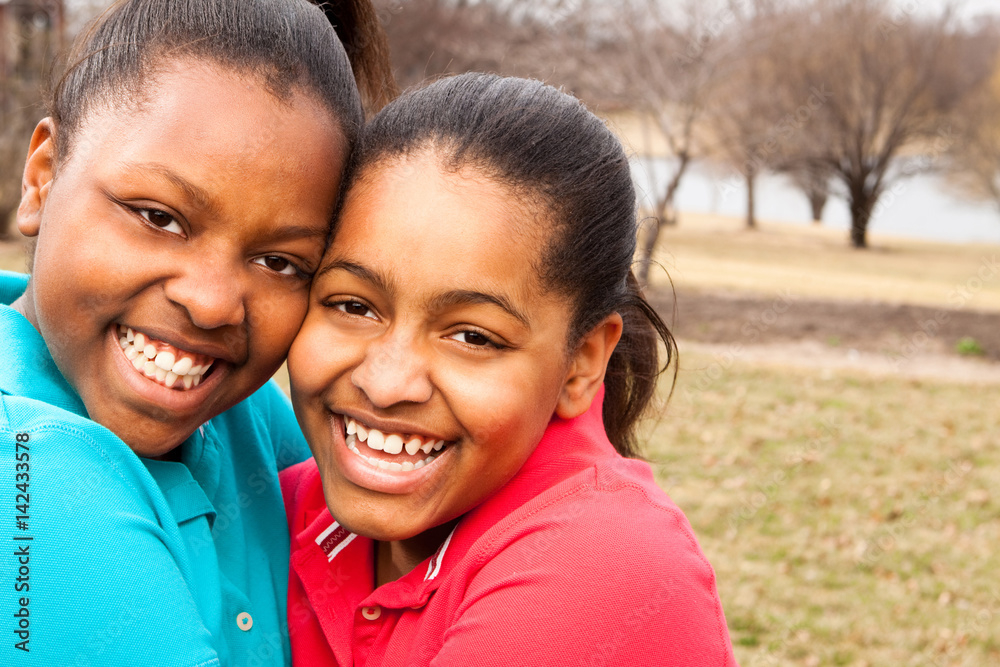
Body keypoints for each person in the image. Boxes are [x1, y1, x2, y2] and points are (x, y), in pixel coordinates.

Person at [281, 73, 738, 666]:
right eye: (353, 305)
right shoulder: (293, 501)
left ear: (581, 363)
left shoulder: (603, 565)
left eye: (473, 336)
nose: (385, 382)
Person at [0, 1, 394, 665]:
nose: (213, 305)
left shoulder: (247, 418)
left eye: (280, 262)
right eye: (159, 217)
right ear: (43, 175)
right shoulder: (35, 482)